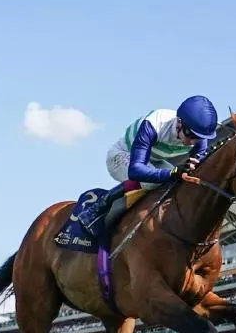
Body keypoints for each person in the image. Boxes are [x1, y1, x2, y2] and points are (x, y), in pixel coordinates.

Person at [70, 95, 220, 240]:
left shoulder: (199, 136)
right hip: (122, 156)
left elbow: (197, 169)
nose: (193, 142)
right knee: (155, 180)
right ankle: (99, 206)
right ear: (179, 122)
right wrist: (174, 171)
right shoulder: (155, 123)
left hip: (154, 161)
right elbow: (136, 170)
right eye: (190, 134)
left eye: (198, 138)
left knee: (179, 180)